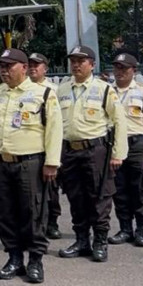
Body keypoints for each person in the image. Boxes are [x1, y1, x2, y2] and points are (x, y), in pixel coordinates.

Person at [0, 48, 62, 284]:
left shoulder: (43, 94)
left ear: (24, 68)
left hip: (31, 163)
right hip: (1, 163)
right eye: (1, 67)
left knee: (33, 212)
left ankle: (35, 260)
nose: (3, 71)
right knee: (5, 212)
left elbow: (54, 130)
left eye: (9, 66)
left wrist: (52, 163)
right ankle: (14, 257)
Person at [56, 46, 128, 263]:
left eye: (81, 61)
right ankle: (81, 240)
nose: (76, 65)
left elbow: (119, 121)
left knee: (99, 197)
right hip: (69, 151)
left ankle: (100, 241)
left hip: (95, 151)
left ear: (92, 65)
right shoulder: (62, 89)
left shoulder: (104, 89)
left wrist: (118, 154)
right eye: (73, 61)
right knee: (75, 197)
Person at [109, 53, 143, 247]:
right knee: (119, 189)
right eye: (117, 67)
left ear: (134, 71)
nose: (120, 71)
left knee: (139, 189)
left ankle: (142, 230)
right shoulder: (107, 91)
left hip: (137, 145)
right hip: (114, 146)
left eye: (124, 68)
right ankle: (125, 229)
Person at [28, 52, 62, 239]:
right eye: (30, 65)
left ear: (45, 68)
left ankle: (52, 222)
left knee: (51, 187)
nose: (33, 68)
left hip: (49, 147)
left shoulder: (54, 90)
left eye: (37, 65)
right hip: (31, 149)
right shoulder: (22, 89)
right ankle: (36, 223)